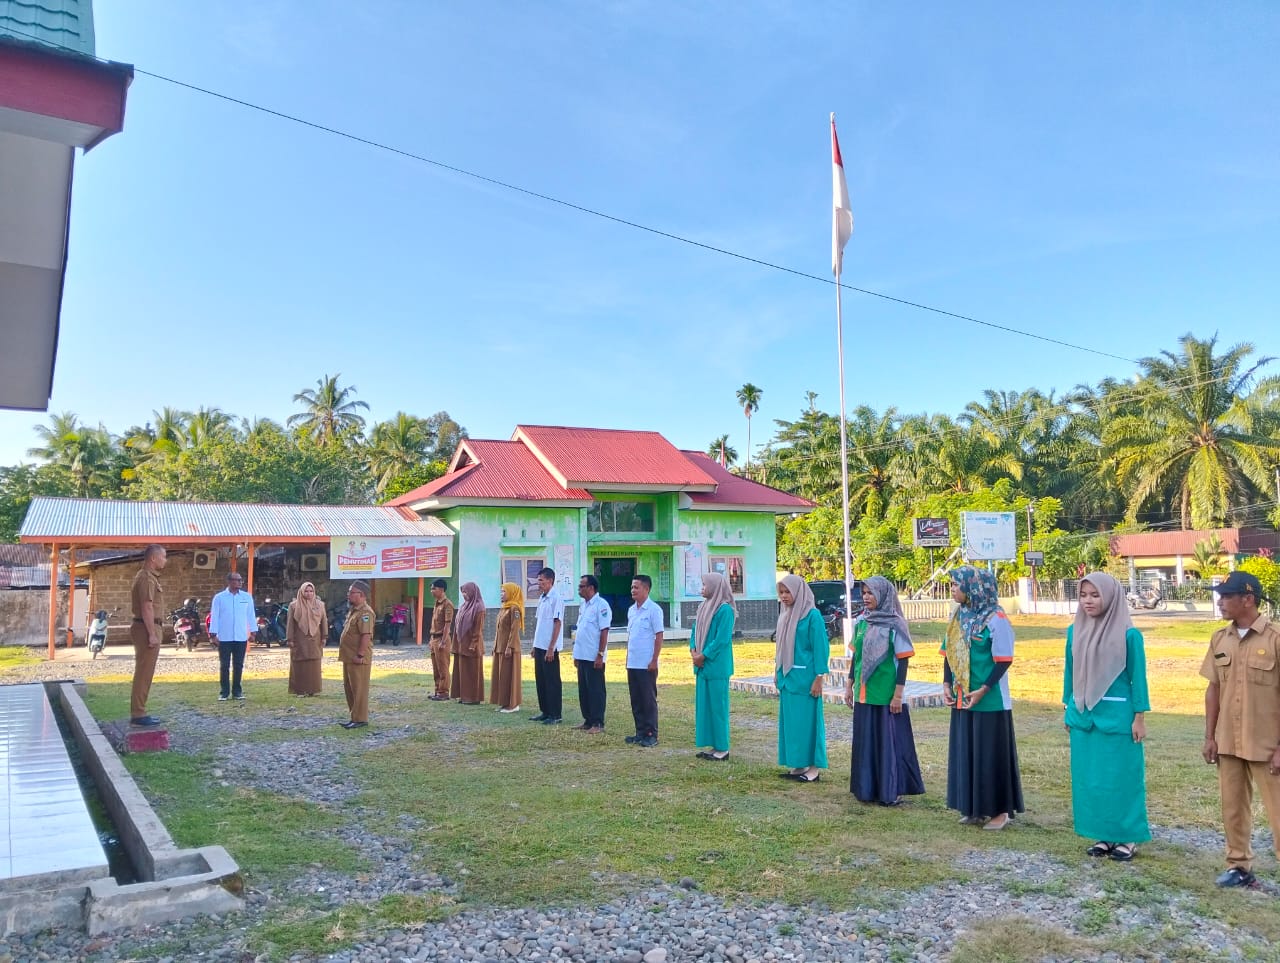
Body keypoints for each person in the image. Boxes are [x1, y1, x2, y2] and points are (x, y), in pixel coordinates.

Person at [1063, 572, 1150, 861]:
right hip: (1083, 718)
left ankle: (1127, 837)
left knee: (1122, 777)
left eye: (1095, 595)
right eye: (1084, 595)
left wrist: (1139, 716)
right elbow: (1070, 673)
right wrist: (1068, 705)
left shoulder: (1129, 635)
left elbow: (1138, 679)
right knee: (1091, 779)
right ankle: (1102, 834)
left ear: (1111, 597)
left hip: (1118, 718)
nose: (1088, 601)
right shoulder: (1074, 631)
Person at [1201, 571, 1280, 888]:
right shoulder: (1220, 639)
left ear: (1248, 599)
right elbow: (1213, 690)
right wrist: (1210, 737)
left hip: (1268, 744)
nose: (1220, 601)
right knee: (1233, 808)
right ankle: (1238, 866)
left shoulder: (1275, 639)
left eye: (1226, 596)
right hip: (1229, 742)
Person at [942, 565, 1024, 829]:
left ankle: (1000, 811)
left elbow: (1003, 660)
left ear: (973, 588)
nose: (953, 588)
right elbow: (949, 653)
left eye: (957, 584)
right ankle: (973, 808)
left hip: (990, 701)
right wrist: (946, 682)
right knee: (967, 753)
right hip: (962, 697)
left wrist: (984, 690)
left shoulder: (996, 619)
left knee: (991, 755)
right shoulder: (959, 616)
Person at [843, 576, 925, 805]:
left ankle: (890, 791)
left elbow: (904, 661)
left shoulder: (895, 624)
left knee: (888, 744)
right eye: (864, 592)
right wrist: (849, 686)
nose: (866, 597)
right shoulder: (862, 622)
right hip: (863, 693)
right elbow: (856, 658)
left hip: (886, 695)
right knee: (866, 742)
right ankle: (866, 790)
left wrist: (898, 695)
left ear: (884, 595)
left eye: (871, 593)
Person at [775, 574, 828, 781]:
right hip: (788, 678)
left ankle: (814, 768)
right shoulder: (785, 615)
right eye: (781, 592)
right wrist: (776, 671)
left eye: (788, 592)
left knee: (810, 722)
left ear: (798, 591)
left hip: (806, 679)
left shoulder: (811, 615)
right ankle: (798, 764)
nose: (784, 596)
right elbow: (780, 648)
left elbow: (820, 648)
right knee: (792, 724)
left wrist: (819, 676)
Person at [690, 572, 736, 761]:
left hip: (716, 666)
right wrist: (693, 651)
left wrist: (704, 655)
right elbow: (694, 631)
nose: (702, 588)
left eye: (704, 585)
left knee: (718, 707)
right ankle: (713, 744)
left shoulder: (725, 610)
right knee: (705, 707)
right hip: (701, 666)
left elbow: (722, 639)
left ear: (715, 587)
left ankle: (722, 748)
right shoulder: (703, 607)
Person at [128, 544, 167, 727]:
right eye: (163, 557)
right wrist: (152, 634)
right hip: (146, 628)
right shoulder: (146, 578)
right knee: (144, 672)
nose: (165, 560)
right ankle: (138, 713)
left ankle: (140, 710)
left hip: (148, 627)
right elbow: (147, 606)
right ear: (153, 558)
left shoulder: (149, 577)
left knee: (146, 672)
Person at [625, 574, 664, 747]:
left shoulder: (654, 610)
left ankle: (651, 734)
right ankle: (640, 732)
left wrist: (654, 660)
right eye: (632, 587)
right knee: (636, 699)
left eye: (637, 587)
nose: (633, 590)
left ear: (646, 589)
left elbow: (659, 636)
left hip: (646, 664)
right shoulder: (631, 610)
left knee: (648, 700)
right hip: (633, 662)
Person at [208, 571, 257, 702]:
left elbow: (251, 615)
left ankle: (237, 691)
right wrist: (213, 635)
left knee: (238, 665)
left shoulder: (246, 597)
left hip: (240, 636)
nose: (240, 582)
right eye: (237, 580)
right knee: (224, 665)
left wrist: (253, 632)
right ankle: (224, 692)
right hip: (225, 636)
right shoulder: (219, 598)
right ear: (229, 582)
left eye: (241, 580)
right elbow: (215, 616)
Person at [573, 574, 612, 733]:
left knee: (596, 690)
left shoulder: (601, 605)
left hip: (594, 656)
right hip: (582, 655)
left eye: (582, 586)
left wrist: (600, 654)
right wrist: (576, 654)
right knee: (584, 690)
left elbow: (604, 631)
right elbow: (581, 630)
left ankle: (598, 723)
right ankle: (588, 720)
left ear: (591, 588)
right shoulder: (584, 605)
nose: (579, 589)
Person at [338, 581, 376, 729]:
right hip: (349, 657)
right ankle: (354, 717)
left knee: (359, 688)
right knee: (350, 688)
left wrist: (360, 655)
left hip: (358, 658)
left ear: (362, 595)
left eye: (351, 592)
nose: (348, 595)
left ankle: (360, 719)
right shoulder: (354, 611)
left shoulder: (366, 612)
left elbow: (366, 635)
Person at [530, 567, 565, 724]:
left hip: (550, 647)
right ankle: (545, 711)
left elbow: (557, 623)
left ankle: (555, 714)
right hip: (539, 645)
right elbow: (539, 623)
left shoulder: (556, 598)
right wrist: (534, 645)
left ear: (550, 581)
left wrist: (551, 647)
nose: (539, 584)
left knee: (552, 681)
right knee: (541, 680)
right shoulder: (542, 598)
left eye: (542, 581)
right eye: (538, 581)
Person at [286, 581, 328, 697]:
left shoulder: (320, 605)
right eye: (306, 591)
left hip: (315, 638)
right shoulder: (294, 605)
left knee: (314, 663)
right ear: (301, 591)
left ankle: (313, 689)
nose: (309, 593)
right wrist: (290, 639)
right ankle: (300, 690)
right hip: (299, 639)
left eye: (311, 591)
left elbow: (324, 621)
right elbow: (290, 623)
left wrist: (324, 636)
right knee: (300, 663)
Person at [490, 581, 524, 712]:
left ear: (511, 592)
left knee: (510, 676)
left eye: (504, 591)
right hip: (500, 647)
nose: (501, 594)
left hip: (509, 648)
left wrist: (510, 646)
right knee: (502, 676)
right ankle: (504, 702)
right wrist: (495, 646)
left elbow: (514, 629)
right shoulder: (504, 608)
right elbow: (499, 629)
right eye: (501, 591)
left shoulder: (514, 608)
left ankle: (513, 705)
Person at [451, 582, 486, 704]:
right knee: (462, 671)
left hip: (472, 645)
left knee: (472, 671)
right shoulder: (464, 606)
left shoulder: (479, 607)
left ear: (472, 592)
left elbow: (478, 628)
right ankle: (463, 696)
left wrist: (473, 643)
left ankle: (473, 698)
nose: (464, 595)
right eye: (463, 593)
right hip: (461, 644)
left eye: (466, 592)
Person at [427, 579, 454, 701]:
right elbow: (434, 624)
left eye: (434, 588)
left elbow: (447, 625)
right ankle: (438, 690)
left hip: (441, 639)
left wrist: (443, 641)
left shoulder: (447, 604)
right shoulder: (437, 603)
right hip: (434, 638)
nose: (431, 591)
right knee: (436, 667)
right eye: (431, 589)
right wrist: (430, 640)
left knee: (443, 667)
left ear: (441, 590)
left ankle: (443, 692)